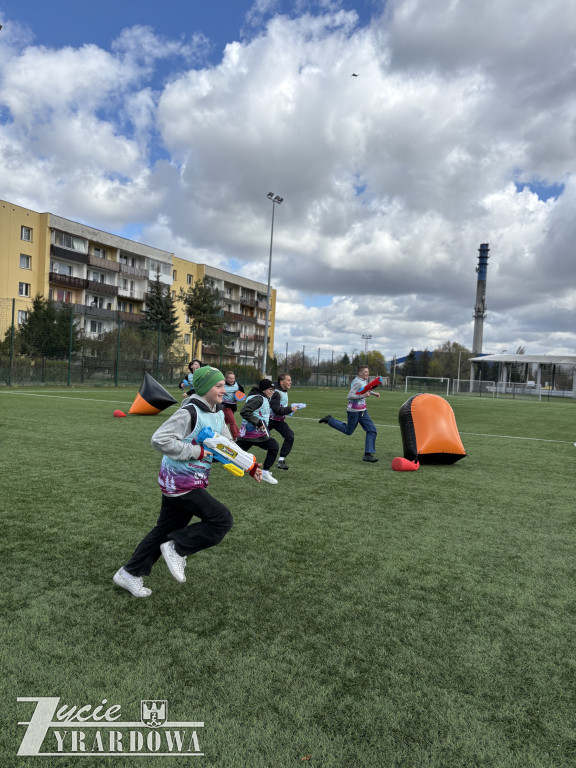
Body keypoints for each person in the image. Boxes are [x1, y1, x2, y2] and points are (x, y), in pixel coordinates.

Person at [113, 365, 262, 598]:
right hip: (180, 482)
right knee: (222, 520)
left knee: (165, 529)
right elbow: (159, 440)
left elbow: (225, 446)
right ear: (204, 388)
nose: (225, 390)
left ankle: (129, 573)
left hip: (191, 480)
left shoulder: (218, 412)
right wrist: (197, 452)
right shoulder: (189, 412)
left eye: (225, 385)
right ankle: (177, 548)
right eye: (219, 386)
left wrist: (250, 466)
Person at [319, 365, 380, 462]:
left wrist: (373, 393)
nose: (367, 374)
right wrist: (363, 396)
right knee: (348, 431)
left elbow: (365, 389)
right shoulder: (357, 382)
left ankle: (367, 454)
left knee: (372, 430)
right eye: (365, 372)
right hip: (354, 412)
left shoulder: (363, 381)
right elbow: (350, 396)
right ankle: (329, 420)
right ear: (360, 373)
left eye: (368, 372)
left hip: (363, 411)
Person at [236, 379, 280, 485]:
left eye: (273, 390)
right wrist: (258, 422)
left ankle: (205, 458)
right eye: (270, 389)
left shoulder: (260, 397)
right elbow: (244, 411)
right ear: (264, 389)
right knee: (274, 446)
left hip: (249, 434)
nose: (272, 392)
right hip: (254, 434)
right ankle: (265, 472)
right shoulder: (258, 398)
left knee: (232, 453)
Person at [269, 373, 299, 470]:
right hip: (268, 420)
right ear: (281, 382)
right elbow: (276, 409)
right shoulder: (276, 393)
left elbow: (280, 408)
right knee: (255, 439)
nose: (291, 382)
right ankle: (237, 452)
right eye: (288, 380)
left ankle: (281, 461)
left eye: (290, 380)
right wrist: (290, 409)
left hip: (278, 420)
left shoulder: (283, 391)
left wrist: (290, 409)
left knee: (289, 436)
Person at [221, 370, 244, 439]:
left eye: (233, 378)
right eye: (230, 378)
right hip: (224, 406)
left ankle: (218, 435)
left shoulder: (237, 385)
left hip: (233, 406)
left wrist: (239, 396)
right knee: (232, 421)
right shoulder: (222, 384)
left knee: (224, 423)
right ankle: (237, 438)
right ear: (226, 379)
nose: (232, 380)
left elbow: (242, 393)